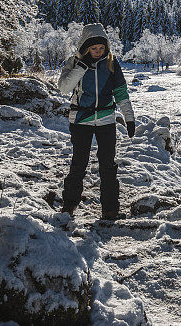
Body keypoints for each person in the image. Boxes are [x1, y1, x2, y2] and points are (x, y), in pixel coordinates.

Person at [57, 23, 136, 219]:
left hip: (106, 119)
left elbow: (121, 93)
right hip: (80, 120)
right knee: (79, 164)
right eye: (94, 48)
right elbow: (64, 88)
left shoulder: (111, 63)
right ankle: (69, 207)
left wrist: (129, 118)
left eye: (101, 48)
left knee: (108, 165)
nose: (98, 52)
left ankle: (110, 210)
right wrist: (82, 67)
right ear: (85, 47)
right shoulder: (74, 62)